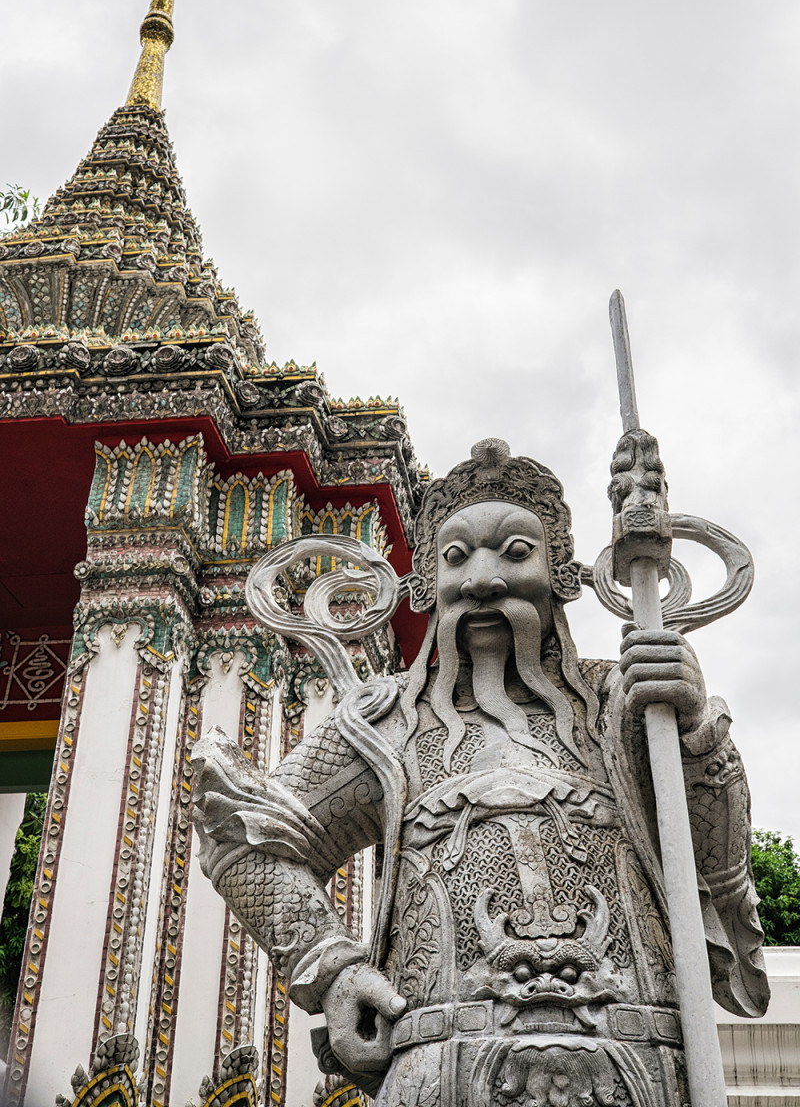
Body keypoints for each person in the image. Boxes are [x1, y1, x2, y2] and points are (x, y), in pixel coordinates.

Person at [192, 439, 767, 1107]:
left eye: (516, 553)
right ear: (425, 585)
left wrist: (695, 728)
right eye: (456, 557)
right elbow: (243, 834)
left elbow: (718, 865)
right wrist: (332, 969)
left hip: (638, 1057)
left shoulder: (623, 704)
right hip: (444, 1065)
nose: (484, 579)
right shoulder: (384, 726)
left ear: (561, 574)